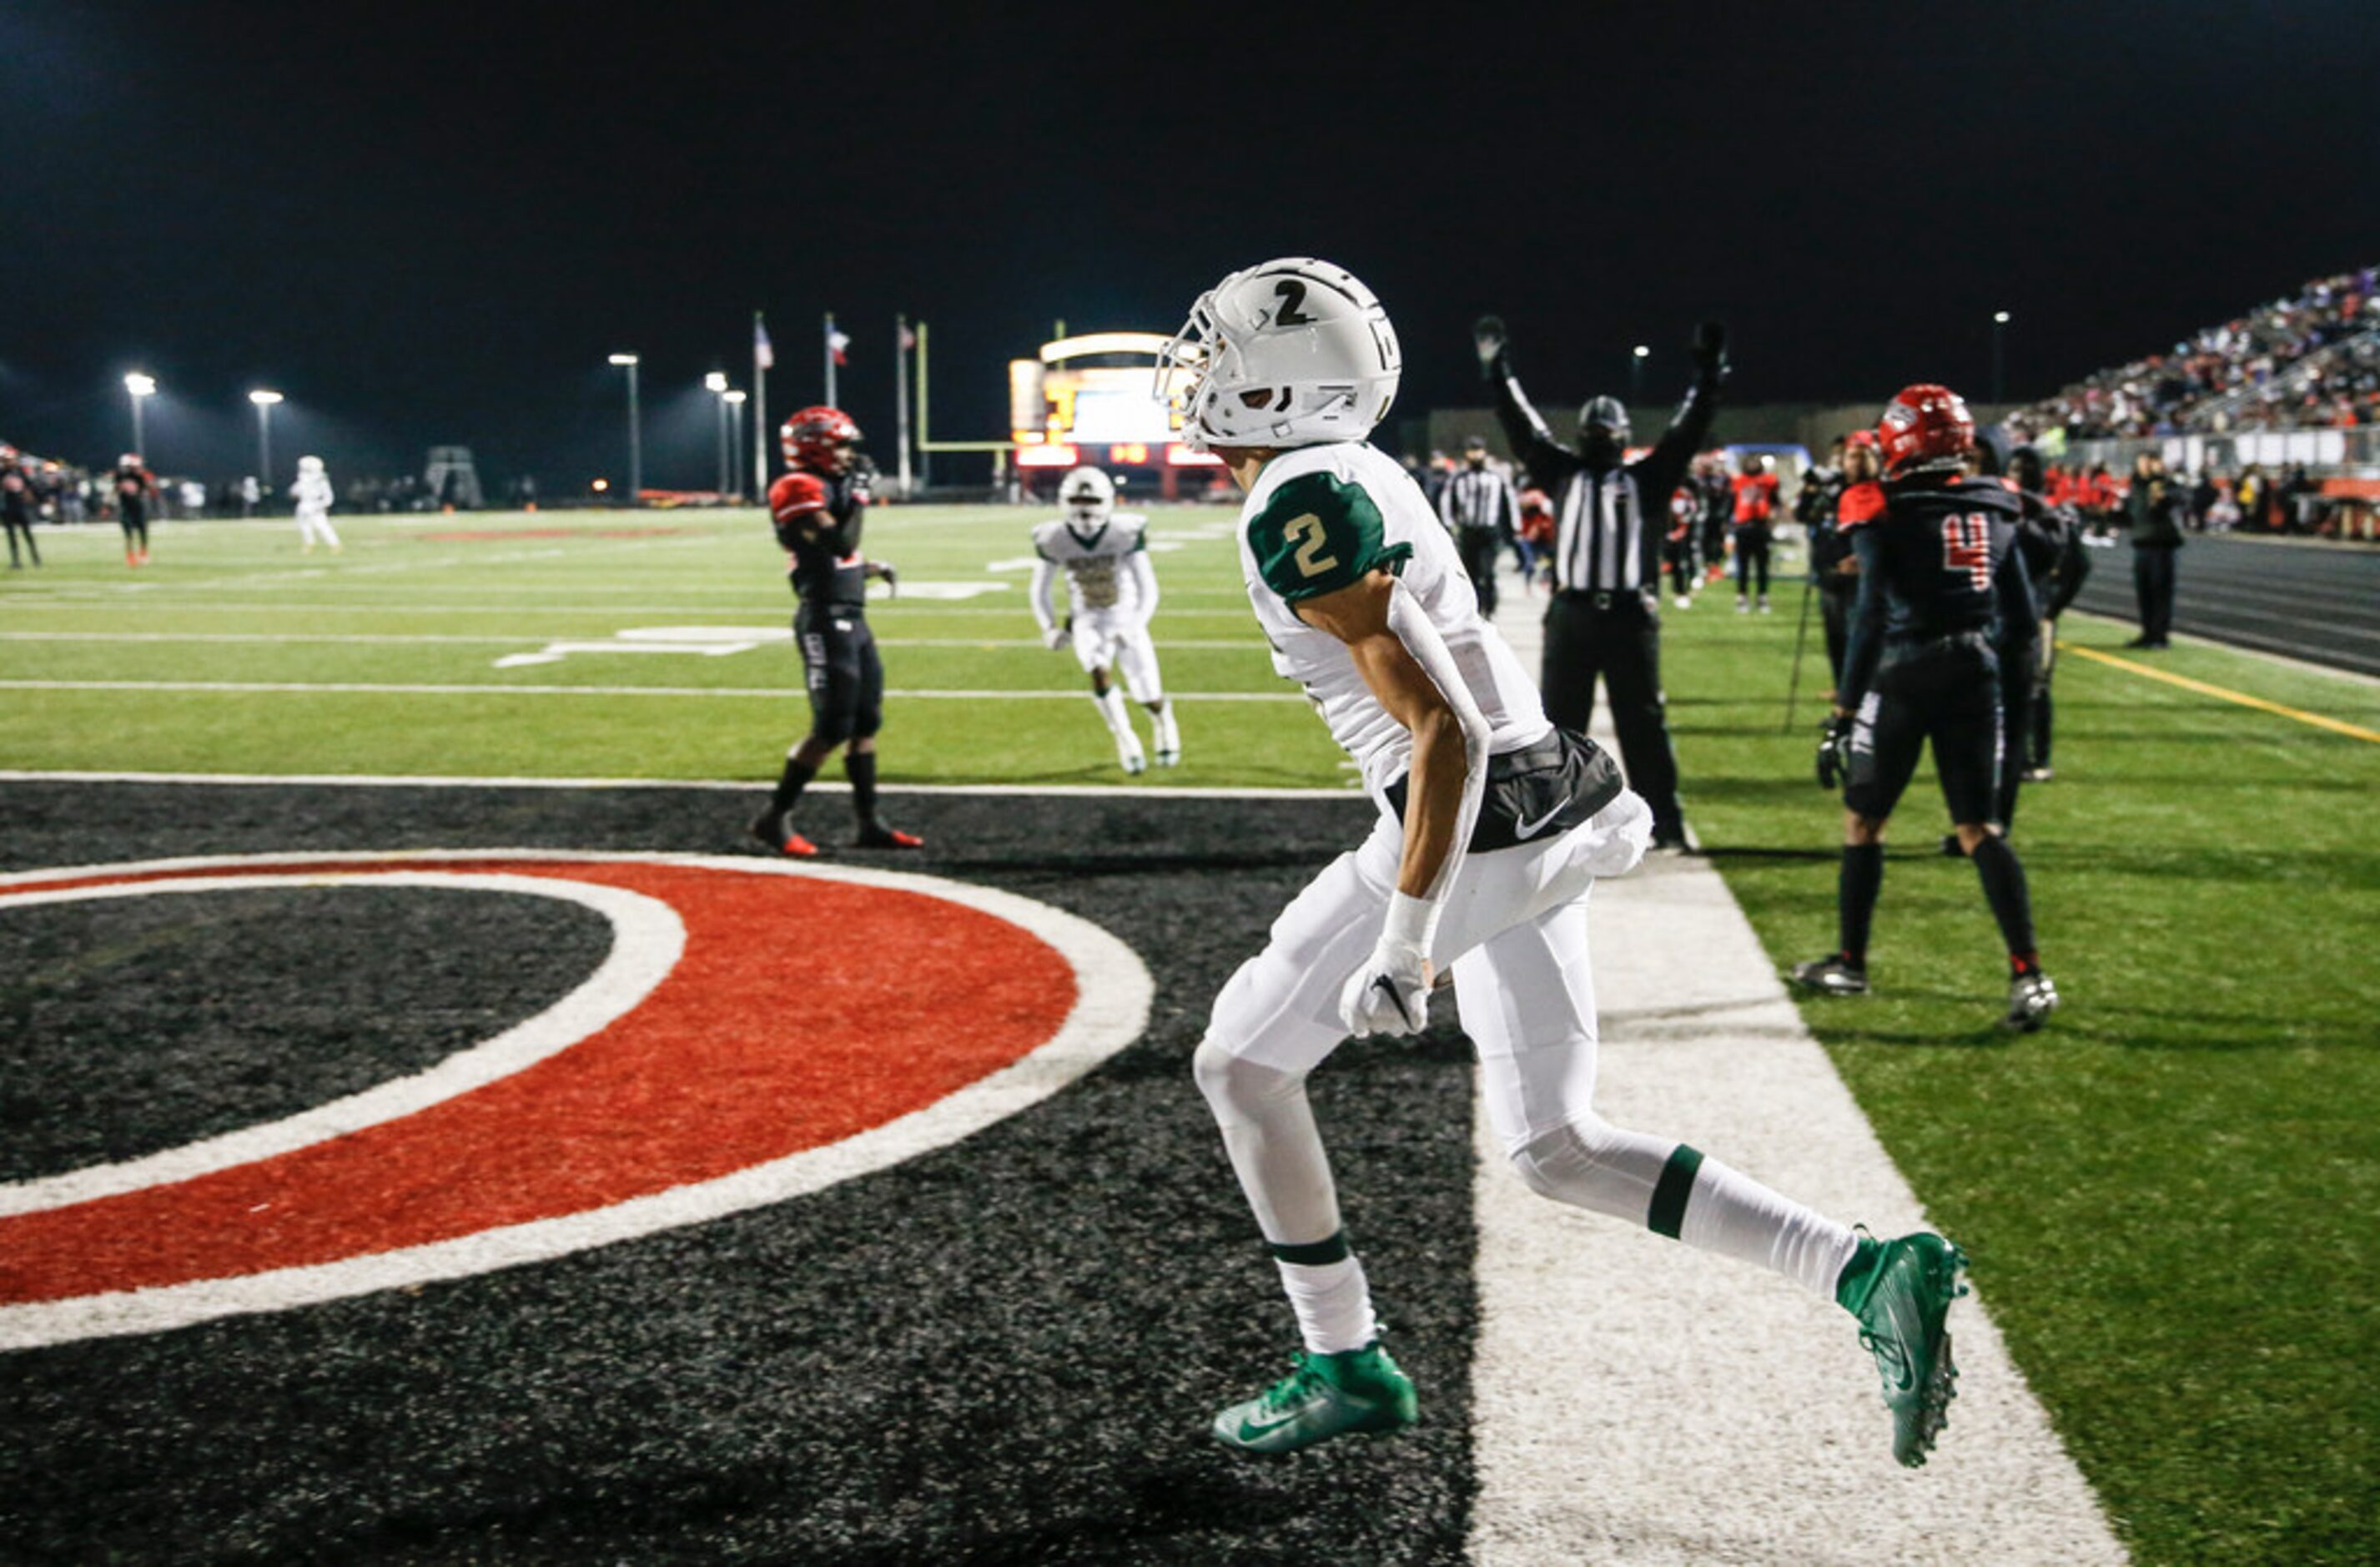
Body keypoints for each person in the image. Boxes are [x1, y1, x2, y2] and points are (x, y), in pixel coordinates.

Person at [1160, 256, 1970, 1469]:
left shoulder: (1299, 502)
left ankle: (1345, 1362)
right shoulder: (1346, 473)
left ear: (1280, 388)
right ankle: (1865, 1270)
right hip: (1540, 794)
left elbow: (1443, 727)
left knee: (1238, 1065)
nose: (1199, 369)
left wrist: (1406, 936)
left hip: (1469, 818)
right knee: (1557, 1145)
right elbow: (1476, 668)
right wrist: (1588, 786)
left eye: (1219, 352)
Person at [1791, 385, 2058, 1034]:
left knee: (1864, 822)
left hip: (1906, 673)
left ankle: (1851, 963)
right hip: (1976, 673)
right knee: (1978, 830)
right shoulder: (1997, 505)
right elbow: (2022, 618)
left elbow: (1870, 616)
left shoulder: (1882, 506)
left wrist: (1845, 710)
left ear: (1900, 440)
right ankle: (2029, 974)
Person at [1478, 313, 1723, 851]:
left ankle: (1663, 820)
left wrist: (1709, 376)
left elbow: (1688, 431)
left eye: (1605, 430)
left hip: (1628, 616)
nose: (1600, 435)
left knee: (1642, 725)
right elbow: (1523, 431)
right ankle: (1557, 821)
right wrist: (1499, 373)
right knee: (1562, 723)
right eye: (1597, 429)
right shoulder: (1568, 474)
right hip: (1577, 613)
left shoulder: (1645, 479)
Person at [747, 406, 922, 857]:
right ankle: (774, 817)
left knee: (867, 721)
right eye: (841, 445)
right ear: (816, 447)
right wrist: (861, 495)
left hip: (851, 614)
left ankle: (869, 822)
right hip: (824, 618)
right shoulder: (796, 487)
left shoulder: (825, 486)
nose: (848, 455)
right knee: (832, 725)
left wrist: (867, 569)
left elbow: (841, 556)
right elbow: (837, 542)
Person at [1029, 466, 1180, 774]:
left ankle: (1162, 719)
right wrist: (1049, 627)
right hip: (1087, 618)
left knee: (1147, 693)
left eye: (1092, 501)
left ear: (1107, 501)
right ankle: (1126, 739)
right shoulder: (1054, 537)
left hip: (1126, 617)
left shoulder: (1124, 532)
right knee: (1098, 672)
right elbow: (1039, 588)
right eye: (1077, 500)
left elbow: (1148, 586)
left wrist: (1136, 624)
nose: (1084, 509)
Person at [2008, 446, 2088, 785]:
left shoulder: (2051, 512)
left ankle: (2038, 758)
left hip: (2038, 613)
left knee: (2036, 688)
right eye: (2014, 468)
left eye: (2025, 468)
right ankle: (2017, 756)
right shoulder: (2008, 506)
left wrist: (2053, 609)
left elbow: (2080, 564)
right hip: (2009, 612)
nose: (2018, 474)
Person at [1815, 432, 1881, 692]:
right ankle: (1842, 694)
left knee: (1861, 640)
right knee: (1836, 641)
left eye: (1865, 457)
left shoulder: (1884, 492)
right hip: (1831, 578)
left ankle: (1861, 699)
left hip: (1862, 582)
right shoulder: (1833, 493)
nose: (1858, 463)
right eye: (1853, 457)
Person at [1436, 436, 1519, 616]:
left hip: (1489, 531)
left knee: (1488, 571)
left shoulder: (1496, 478)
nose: (1475, 454)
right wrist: (1449, 526)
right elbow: (1446, 502)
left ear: (1484, 452)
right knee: (1470, 573)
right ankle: (1475, 608)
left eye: (1478, 450)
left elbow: (1509, 502)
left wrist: (1513, 528)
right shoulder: (1458, 479)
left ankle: (1489, 606)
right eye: (1472, 450)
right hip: (1468, 531)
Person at [2125, 450, 2184, 647]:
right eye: (2140, 462)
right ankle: (2147, 632)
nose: (2143, 466)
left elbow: (2175, 499)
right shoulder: (2136, 486)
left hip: (2161, 544)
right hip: (2141, 543)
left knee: (2160, 592)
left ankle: (2160, 636)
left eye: (2147, 462)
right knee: (2144, 592)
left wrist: (2161, 490)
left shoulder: (2164, 483)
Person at [1729, 451, 1779, 612]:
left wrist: (1773, 517)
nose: (1753, 464)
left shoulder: (1769, 481)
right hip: (1743, 526)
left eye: (1755, 462)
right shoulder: (1738, 481)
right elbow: (1731, 503)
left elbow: (1775, 502)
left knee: (1762, 566)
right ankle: (1742, 597)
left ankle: (1762, 597)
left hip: (1761, 526)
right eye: (1750, 461)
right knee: (1743, 566)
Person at [113, 453, 158, 566]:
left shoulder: (140, 476)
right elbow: (116, 489)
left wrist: (145, 478)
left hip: (138, 507)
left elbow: (149, 489)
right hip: (126, 507)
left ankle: (143, 552)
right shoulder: (119, 475)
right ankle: (130, 555)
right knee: (129, 534)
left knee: (142, 531)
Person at [1, 445, 40, 569]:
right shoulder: (2, 473)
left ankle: (35, 557)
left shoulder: (19, 471)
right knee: (11, 536)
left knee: (27, 533)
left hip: (19, 506)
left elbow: (30, 485)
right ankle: (16, 561)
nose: (8, 462)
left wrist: (30, 496)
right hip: (8, 507)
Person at [291, 456, 340, 553]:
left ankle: (334, 544)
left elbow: (328, 496)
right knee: (304, 525)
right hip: (304, 503)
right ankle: (309, 543)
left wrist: (322, 505)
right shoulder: (304, 478)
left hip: (315, 504)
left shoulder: (320, 479)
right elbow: (296, 491)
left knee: (321, 525)